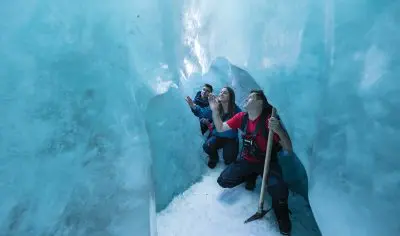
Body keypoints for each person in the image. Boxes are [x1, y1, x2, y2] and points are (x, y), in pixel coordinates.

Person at [209, 89, 293, 235]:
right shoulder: (242, 117)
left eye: (250, 97)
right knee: (223, 180)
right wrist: (215, 111)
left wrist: (279, 130)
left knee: (278, 189)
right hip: (247, 160)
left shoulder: (269, 121)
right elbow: (220, 128)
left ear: (260, 102)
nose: (246, 99)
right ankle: (251, 175)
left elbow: (288, 149)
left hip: (267, 162)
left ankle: (282, 215)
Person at [185, 87, 241, 168]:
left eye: (225, 93)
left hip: (230, 138)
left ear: (231, 97)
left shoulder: (235, 109)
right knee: (207, 146)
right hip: (217, 136)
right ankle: (214, 158)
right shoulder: (216, 105)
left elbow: (244, 119)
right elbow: (203, 112)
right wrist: (193, 106)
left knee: (229, 159)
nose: (221, 93)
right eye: (221, 92)